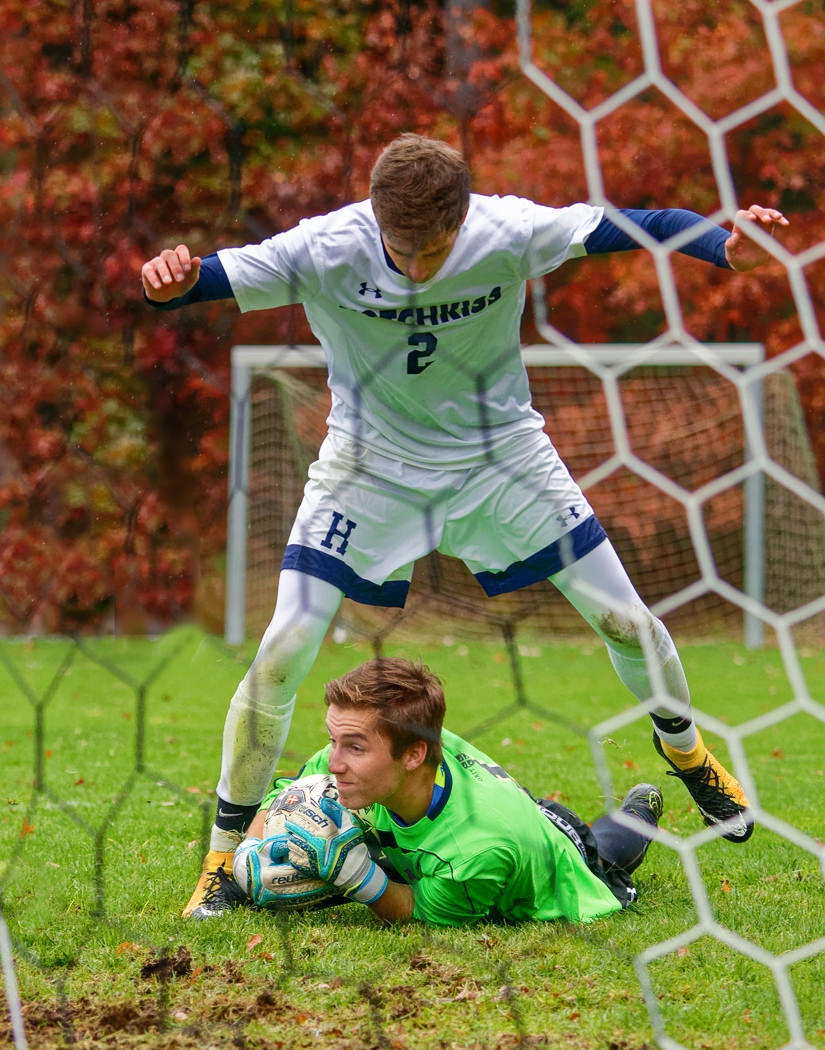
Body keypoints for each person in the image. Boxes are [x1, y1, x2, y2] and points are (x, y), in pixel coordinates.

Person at [141, 133, 788, 919]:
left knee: (626, 620)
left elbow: (631, 222)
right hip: (366, 468)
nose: (415, 269)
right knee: (282, 650)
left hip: (499, 460)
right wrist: (166, 278)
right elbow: (197, 282)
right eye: (400, 250)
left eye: (433, 252)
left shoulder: (507, 230)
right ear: (375, 218)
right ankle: (219, 860)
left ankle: (685, 753)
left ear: (463, 218)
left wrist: (725, 248)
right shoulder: (326, 246)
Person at [220, 657, 665, 925]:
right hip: (497, 803)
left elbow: (416, 913)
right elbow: (291, 794)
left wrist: (354, 875)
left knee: (604, 848)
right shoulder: (370, 752)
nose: (334, 761)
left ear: (413, 755)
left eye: (353, 747)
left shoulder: (478, 850)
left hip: (555, 853)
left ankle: (639, 810)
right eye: (334, 740)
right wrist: (251, 850)